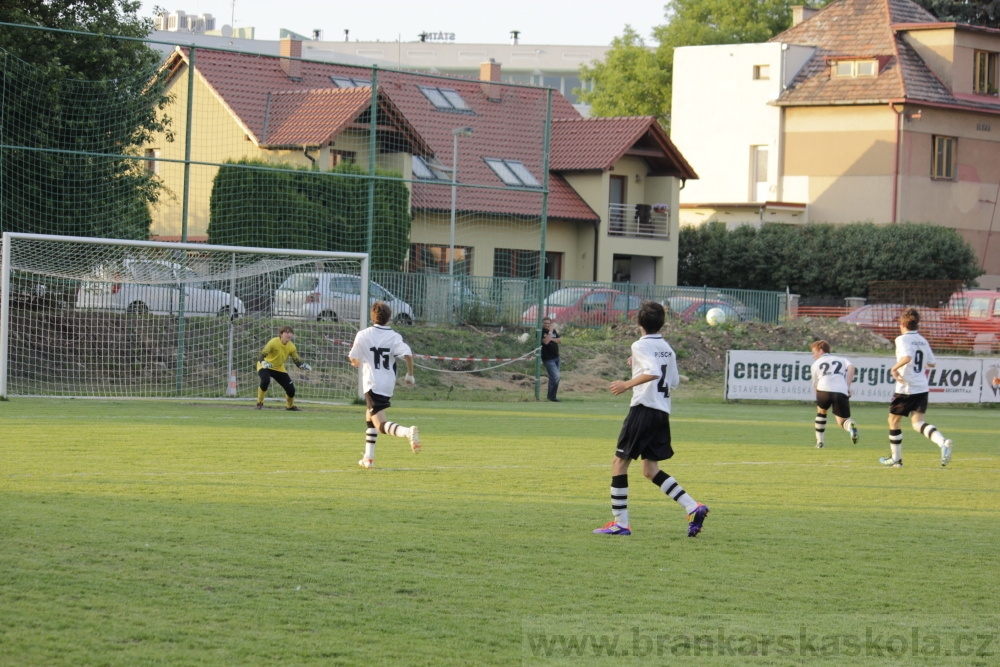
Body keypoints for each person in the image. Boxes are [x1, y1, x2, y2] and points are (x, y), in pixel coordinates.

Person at [593, 301, 709, 537]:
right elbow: (672, 381)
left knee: (619, 464)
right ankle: (692, 506)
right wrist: (637, 363)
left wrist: (626, 383)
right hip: (661, 412)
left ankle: (621, 524)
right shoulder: (667, 347)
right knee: (649, 469)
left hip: (644, 409)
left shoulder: (640, 345)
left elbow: (654, 371)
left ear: (639, 323)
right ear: (662, 323)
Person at [349, 301, 420, 469]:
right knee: (369, 417)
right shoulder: (394, 336)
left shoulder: (363, 334)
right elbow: (408, 354)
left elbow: (353, 358)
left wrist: (356, 362)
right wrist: (410, 375)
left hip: (372, 383)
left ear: (372, 316)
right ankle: (369, 458)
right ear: (389, 318)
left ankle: (407, 432)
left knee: (380, 425)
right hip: (387, 384)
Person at [880, 308, 953, 468]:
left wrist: (894, 369)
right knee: (918, 423)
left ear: (902, 323)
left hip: (906, 387)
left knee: (893, 421)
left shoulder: (902, 339)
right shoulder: (922, 340)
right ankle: (942, 442)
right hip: (921, 387)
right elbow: (932, 363)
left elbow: (907, 357)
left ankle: (896, 460)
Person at [809, 340, 859, 448]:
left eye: (814, 353)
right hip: (840, 391)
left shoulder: (815, 364)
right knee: (842, 421)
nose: (813, 356)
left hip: (824, 390)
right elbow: (851, 367)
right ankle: (851, 426)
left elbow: (815, 385)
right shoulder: (842, 359)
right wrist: (848, 386)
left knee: (821, 412)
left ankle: (820, 442)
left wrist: (818, 395)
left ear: (821, 351)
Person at [256, 325, 311, 410]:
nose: (289, 335)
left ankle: (290, 406)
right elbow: (261, 356)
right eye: (287, 332)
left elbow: (297, 361)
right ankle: (259, 403)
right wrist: (263, 362)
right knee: (265, 380)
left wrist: (302, 365)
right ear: (281, 334)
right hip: (265, 366)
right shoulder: (273, 342)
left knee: (291, 390)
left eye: (291, 333)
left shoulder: (292, 347)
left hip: (278, 368)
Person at [541, 317, 561, 402]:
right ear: (542, 324)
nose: (547, 325)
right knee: (556, 376)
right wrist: (550, 332)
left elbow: (559, 340)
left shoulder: (553, 331)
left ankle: (552, 396)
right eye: (545, 323)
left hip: (556, 357)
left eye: (548, 323)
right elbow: (545, 342)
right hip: (548, 359)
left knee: (555, 378)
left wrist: (551, 339)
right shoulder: (541, 332)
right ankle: (551, 397)